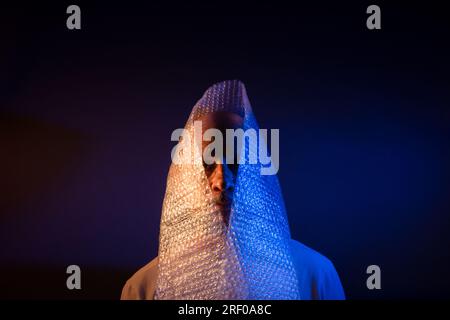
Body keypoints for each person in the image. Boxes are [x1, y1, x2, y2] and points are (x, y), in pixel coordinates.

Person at [121, 80, 345, 300]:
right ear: (187, 177)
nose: (221, 180)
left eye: (236, 163)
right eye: (207, 165)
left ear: (256, 172)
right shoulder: (145, 287)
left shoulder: (315, 276)